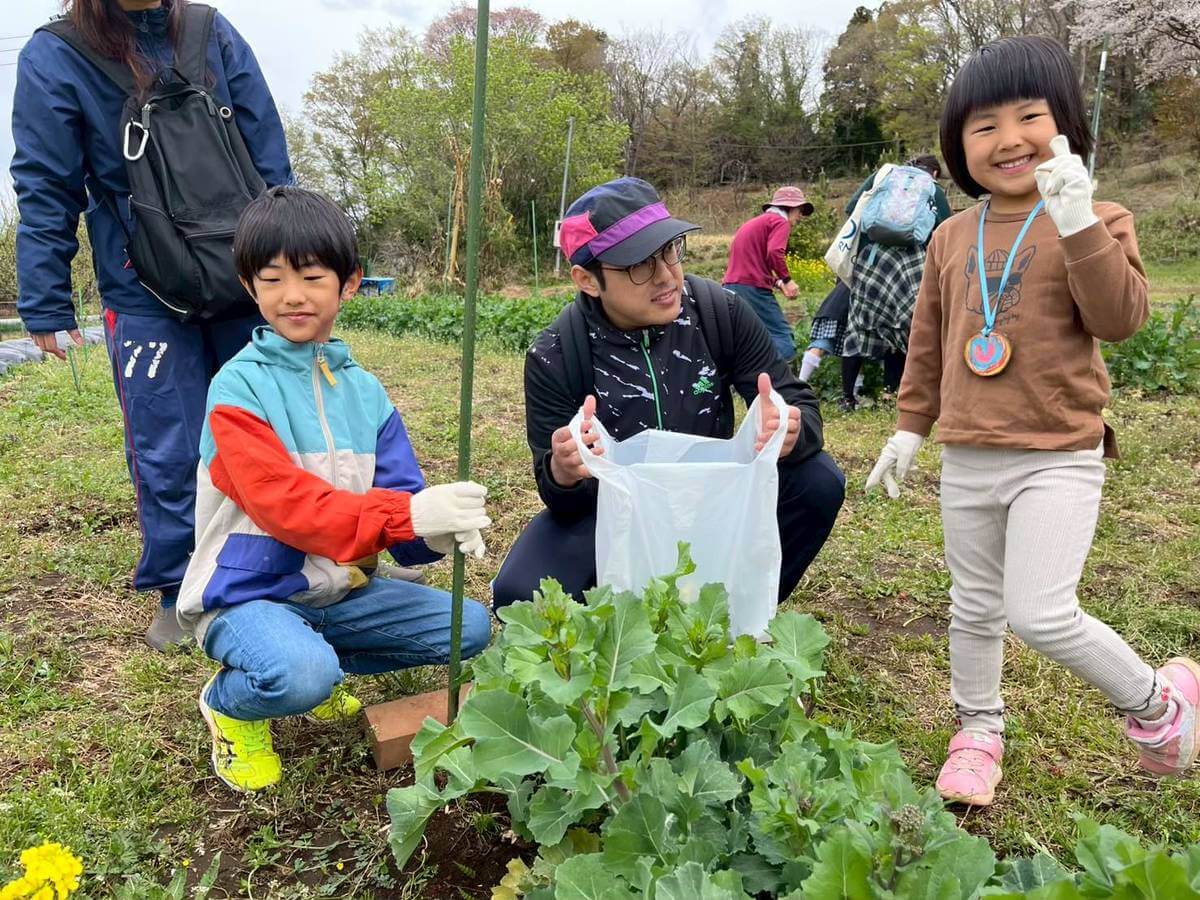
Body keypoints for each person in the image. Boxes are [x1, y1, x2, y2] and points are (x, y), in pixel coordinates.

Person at [866, 36, 1200, 807]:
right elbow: (929, 342)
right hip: (968, 455)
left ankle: (1158, 702)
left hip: (1058, 452)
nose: (1009, 138)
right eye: (983, 126)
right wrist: (910, 426)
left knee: (1041, 612)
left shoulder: (1100, 217)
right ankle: (977, 731)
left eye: (1029, 116)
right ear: (958, 145)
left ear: (1067, 124)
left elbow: (1121, 319)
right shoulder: (949, 236)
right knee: (973, 607)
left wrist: (1077, 218)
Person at [176, 187, 493, 792]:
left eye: (312, 277)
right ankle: (230, 703)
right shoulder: (236, 390)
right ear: (249, 287)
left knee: (468, 626)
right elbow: (286, 508)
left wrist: (435, 533)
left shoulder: (365, 393)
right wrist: (408, 515)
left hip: (339, 591)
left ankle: (310, 660)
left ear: (349, 284)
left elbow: (402, 507)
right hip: (247, 596)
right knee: (300, 674)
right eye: (272, 279)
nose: (293, 295)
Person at [11, 0, 292, 650]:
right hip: (142, 285)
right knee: (169, 439)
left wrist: (294, 262)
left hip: (244, 269)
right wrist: (45, 298)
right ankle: (180, 583)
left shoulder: (209, 29)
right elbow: (46, 183)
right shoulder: (58, 54)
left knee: (274, 418)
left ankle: (294, 551)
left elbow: (269, 154)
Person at [492, 177, 845, 611]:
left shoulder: (719, 313)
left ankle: (727, 612)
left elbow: (799, 403)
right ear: (587, 279)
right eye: (639, 265)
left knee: (818, 482)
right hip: (616, 516)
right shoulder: (557, 355)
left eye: (669, 251)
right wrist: (565, 471)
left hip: (712, 501)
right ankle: (623, 621)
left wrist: (790, 429)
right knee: (521, 594)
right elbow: (555, 491)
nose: (665, 276)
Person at [838, 155, 952, 410]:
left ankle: (847, 397)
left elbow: (853, 208)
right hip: (910, 262)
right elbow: (946, 229)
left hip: (871, 260)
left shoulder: (884, 177)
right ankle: (894, 392)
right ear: (934, 173)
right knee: (907, 325)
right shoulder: (933, 189)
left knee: (859, 326)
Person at [722, 186, 815, 365]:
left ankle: (744, 372)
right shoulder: (780, 222)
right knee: (783, 339)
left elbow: (750, 266)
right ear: (790, 207)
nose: (800, 216)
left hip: (731, 287)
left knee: (746, 338)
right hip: (752, 290)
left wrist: (778, 283)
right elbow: (774, 252)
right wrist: (788, 280)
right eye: (800, 211)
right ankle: (773, 376)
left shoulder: (754, 224)